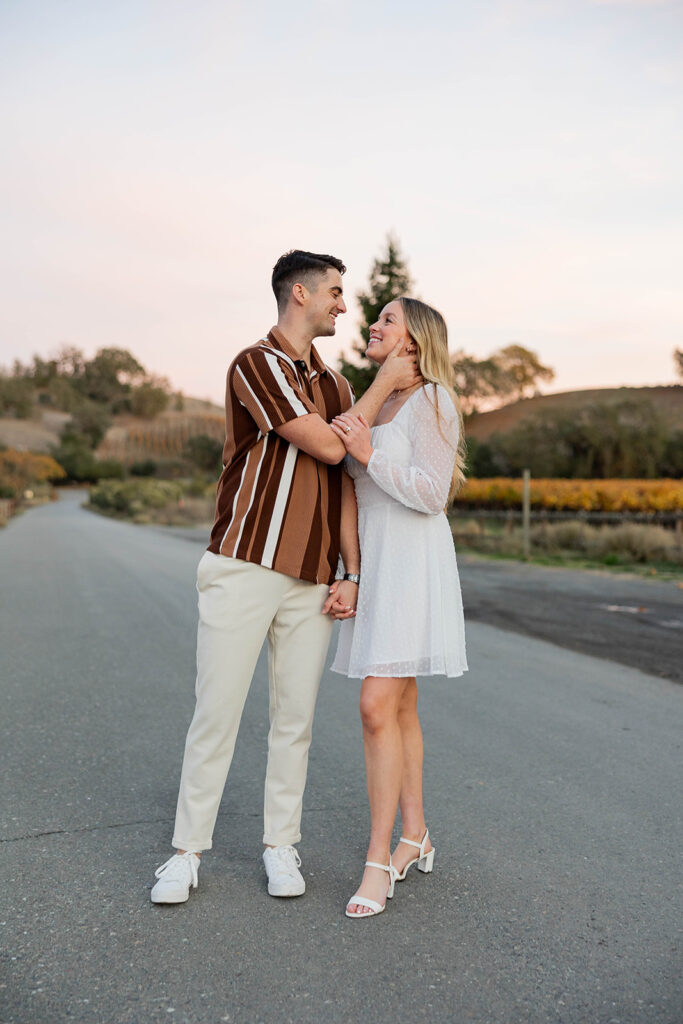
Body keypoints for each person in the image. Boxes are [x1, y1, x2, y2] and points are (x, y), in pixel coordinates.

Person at [150, 251, 420, 904]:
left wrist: (351, 571)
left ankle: (280, 847)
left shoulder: (333, 388)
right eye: (333, 291)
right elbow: (328, 445)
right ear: (298, 294)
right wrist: (383, 383)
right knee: (216, 714)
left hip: (309, 579)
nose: (342, 304)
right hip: (242, 565)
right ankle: (186, 854)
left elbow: (347, 483)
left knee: (293, 721)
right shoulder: (256, 364)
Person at [328, 296, 468, 919]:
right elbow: (349, 497)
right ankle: (417, 834)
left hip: (413, 562)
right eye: (376, 319)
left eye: (387, 320)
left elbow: (432, 495)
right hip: (375, 564)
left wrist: (368, 453)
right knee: (401, 703)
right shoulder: (369, 402)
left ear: (414, 341)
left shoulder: (435, 400)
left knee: (375, 704)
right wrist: (349, 573)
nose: (373, 326)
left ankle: (377, 858)